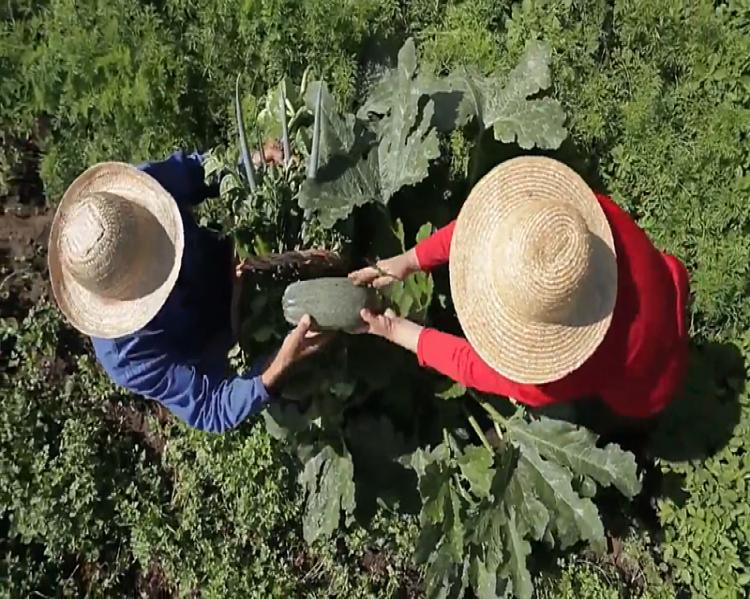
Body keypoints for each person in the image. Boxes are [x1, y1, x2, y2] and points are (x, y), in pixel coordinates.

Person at [349, 156, 690, 421]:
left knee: (628, 400)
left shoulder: (551, 378)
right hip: (663, 282)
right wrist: (410, 260)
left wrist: (394, 329)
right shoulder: (581, 224)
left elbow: (470, 364)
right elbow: (480, 228)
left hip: (649, 375)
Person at [47, 148, 328, 433]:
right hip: (237, 341)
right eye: (154, 282)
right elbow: (211, 408)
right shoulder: (126, 356)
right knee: (309, 387)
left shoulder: (136, 200)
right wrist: (279, 364)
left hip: (240, 259)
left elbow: (201, 171)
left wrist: (250, 164)